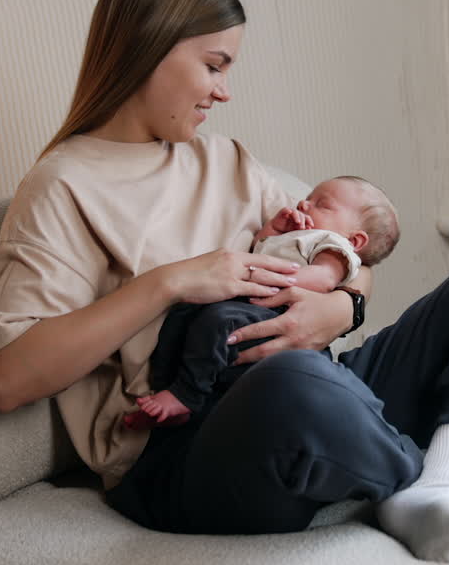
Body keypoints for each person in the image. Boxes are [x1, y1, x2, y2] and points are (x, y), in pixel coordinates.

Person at [0, 0, 449, 563]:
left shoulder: (226, 160)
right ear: (149, 49)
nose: (225, 91)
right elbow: (6, 379)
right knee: (294, 382)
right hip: (186, 448)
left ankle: (447, 470)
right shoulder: (63, 186)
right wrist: (169, 283)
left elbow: (345, 251)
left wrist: (341, 308)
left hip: (324, 385)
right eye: (214, 65)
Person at [128, 175, 401, 428]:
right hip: (249, 302)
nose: (304, 203)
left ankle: (187, 394)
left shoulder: (333, 246)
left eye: (322, 205)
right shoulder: (297, 234)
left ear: (354, 240)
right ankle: (168, 388)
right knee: (182, 313)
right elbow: (260, 245)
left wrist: (264, 276)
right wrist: (275, 228)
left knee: (219, 322)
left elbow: (324, 279)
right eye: (309, 197)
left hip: (278, 312)